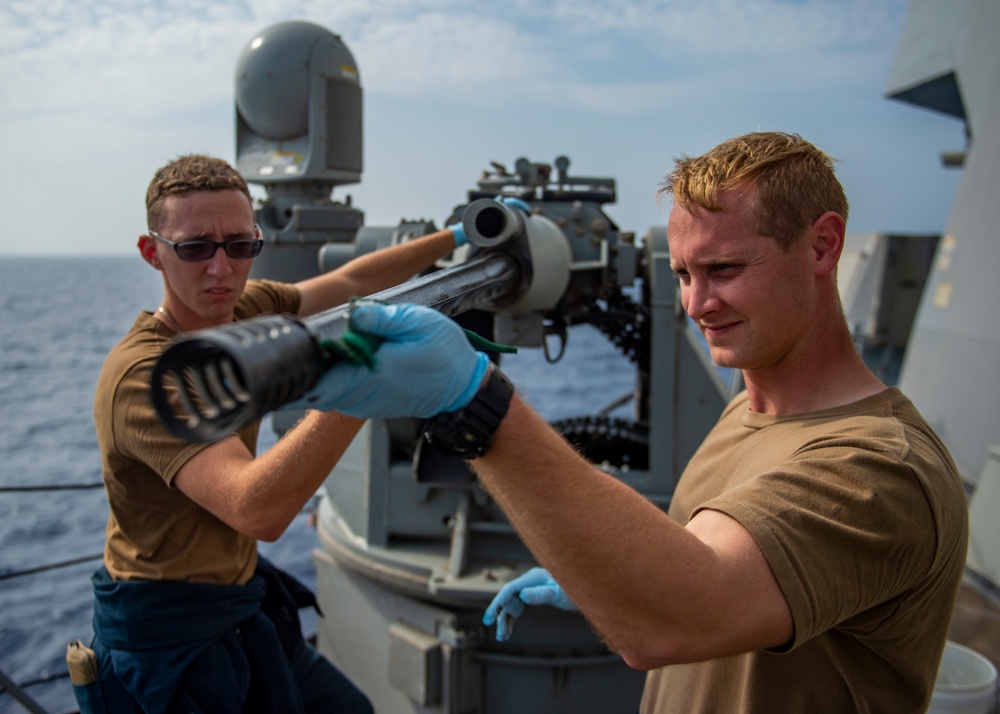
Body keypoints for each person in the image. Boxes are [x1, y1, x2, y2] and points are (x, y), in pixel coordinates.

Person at [290, 132, 969, 712]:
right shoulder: (750, 411)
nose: (698, 304)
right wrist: (603, 574)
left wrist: (473, 402)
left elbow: (668, 623)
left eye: (725, 268)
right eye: (681, 274)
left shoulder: (881, 468)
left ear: (823, 247)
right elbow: (700, 566)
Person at [80, 154, 465, 714]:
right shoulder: (145, 378)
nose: (221, 269)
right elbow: (257, 508)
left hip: (239, 606)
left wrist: (453, 238)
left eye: (239, 246)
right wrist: (363, 383)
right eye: (195, 248)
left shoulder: (241, 310)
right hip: (167, 640)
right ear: (152, 252)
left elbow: (350, 281)